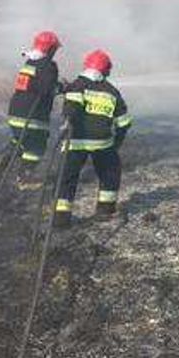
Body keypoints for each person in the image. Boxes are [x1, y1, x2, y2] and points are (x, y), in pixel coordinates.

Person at [54, 49, 132, 228]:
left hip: (75, 142)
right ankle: (105, 211)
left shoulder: (77, 85)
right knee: (110, 174)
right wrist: (116, 144)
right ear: (106, 70)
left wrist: (67, 121)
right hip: (102, 143)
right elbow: (124, 122)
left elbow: (72, 107)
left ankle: (60, 219)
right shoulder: (112, 91)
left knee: (66, 179)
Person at [0, 30, 62, 184]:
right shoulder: (48, 65)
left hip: (15, 111)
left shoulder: (30, 63)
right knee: (36, 145)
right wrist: (62, 88)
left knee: (20, 140)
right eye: (54, 49)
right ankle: (25, 177)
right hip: (33, 114)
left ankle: (2, 162)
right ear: (50, 49)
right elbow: (46, 90)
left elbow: (35, 85)